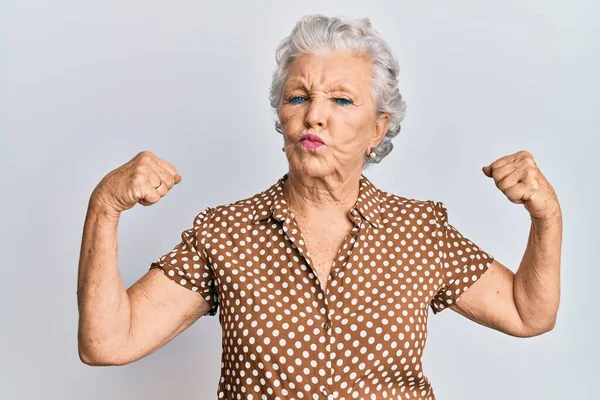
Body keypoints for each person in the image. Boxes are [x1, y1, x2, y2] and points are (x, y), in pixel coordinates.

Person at [77, 14, 562, 400]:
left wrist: (547, 218)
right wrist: (105, 205)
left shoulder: (419, 231)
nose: (315, 115)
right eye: (298, 96)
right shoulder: (225, 234)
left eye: (343, 100)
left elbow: (527, 312)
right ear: (281, 116)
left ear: (378, 129)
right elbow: (107, 342)